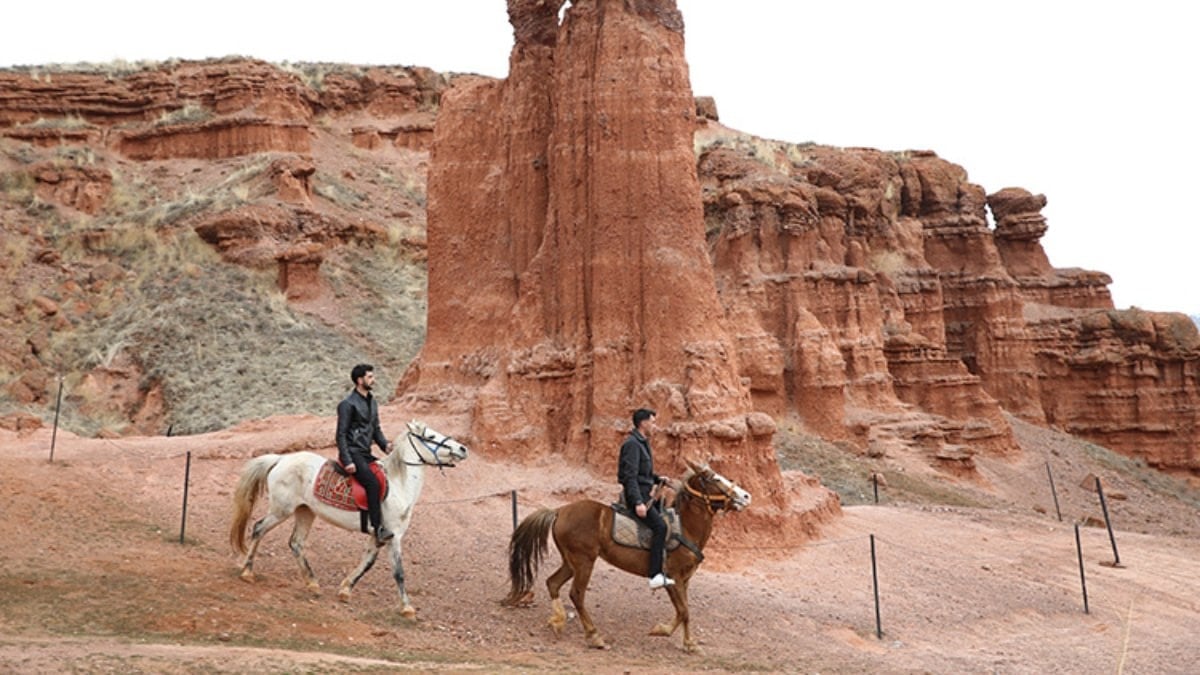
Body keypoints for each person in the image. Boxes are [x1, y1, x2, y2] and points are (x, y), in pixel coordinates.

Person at [336, 363, 393, 545]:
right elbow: (341, 434)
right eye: (369, 377)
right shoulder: (347, 404)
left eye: (372, 376)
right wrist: (347, 460)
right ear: (360, 381)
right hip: (353, 453)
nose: (373, 379)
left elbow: (375, 429)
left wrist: (385, 446)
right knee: (372, 483)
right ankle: (377, 529)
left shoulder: (372, 401)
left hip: (366, 453)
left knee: (386, 475)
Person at [617, 407, 674, 589]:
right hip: (639, 495)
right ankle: (654, 574)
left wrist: (658, 478)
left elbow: (644, 473)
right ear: (643, 423)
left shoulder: (642, 442)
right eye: (653, 422)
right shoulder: (632, 444)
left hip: (645, 491)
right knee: (660, 527)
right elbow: (630, 476)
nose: (654, 426)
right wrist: (638, 502)